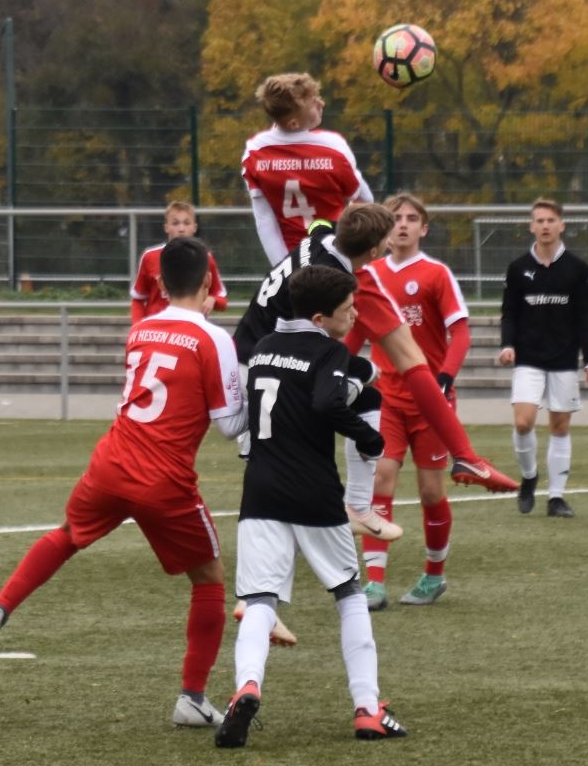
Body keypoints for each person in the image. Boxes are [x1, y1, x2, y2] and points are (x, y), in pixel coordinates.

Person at [0, 237, 248, 729]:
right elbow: (230, 425)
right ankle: (192, 697)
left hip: (111, 461)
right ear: (210, 282)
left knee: (67, 536)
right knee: (210, 578)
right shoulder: (212, 338)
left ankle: (0, 607)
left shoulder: (141, 330)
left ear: (159, 283)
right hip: (163, 478)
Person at [215, 265, 407, 747]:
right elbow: (325, 403)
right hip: (314, 493)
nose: (355, 315)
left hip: (260, 490)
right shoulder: (328, 351)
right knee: (349, 593)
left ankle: (247, 686)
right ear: (320, 318)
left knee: (260, 600)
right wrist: (369, 437)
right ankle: (368, 708)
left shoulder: (262, 348)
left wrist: (355, 381)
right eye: (348, 309)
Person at [235, 202, 518, 501]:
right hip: (269, 371)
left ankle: (359, 500)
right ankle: (361, 500)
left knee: (362, 393)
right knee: (287, 470)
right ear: (375, 251)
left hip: (250, 354)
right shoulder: (337, 284)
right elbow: (403, 360)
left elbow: (319, 224)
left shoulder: (321, 237)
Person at [360, 193, 470, 611]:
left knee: (429, 491)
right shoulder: (369, 274)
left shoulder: (436, 274)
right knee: (380, 478)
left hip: (430, 401)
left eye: (411, 218)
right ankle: (374, 583)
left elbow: (460, 333)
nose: (402, 224)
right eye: (395, 218)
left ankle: (434, 575)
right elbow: (355, 329)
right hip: (386, 398)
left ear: (423, 228)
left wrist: (445, 377)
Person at [498, 198, 588, 518]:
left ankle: (556, 497)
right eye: (539, 221)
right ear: (531, 226)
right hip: (528, 357)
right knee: (523, 421)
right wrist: (507, 344)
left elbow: (586, 317)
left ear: (561, 225)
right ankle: (529, 476)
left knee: (559, 426)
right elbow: (509, 313)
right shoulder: (518, 268)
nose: (545, 226)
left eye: (550, 220)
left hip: (564, 359)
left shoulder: (577, 268)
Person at [242, 72, 373, 265]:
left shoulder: (255, 151)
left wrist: (283, 268)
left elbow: (265, 221)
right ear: (294, 123)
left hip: (291, 254)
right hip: (337, 254)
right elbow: (365, 200)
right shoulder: (333, 147)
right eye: (313, 103)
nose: (321, 103)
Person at [130, 200, 228, 321]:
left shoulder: (205, 258)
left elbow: (222, 300)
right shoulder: (150, 257)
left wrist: (213, 300)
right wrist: (137, 326)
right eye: (175, 223)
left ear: (194, 227)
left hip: (190, 326)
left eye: (186, 223)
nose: (181, 229)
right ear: (166, 227)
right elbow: (138, 298)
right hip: (157, 327)